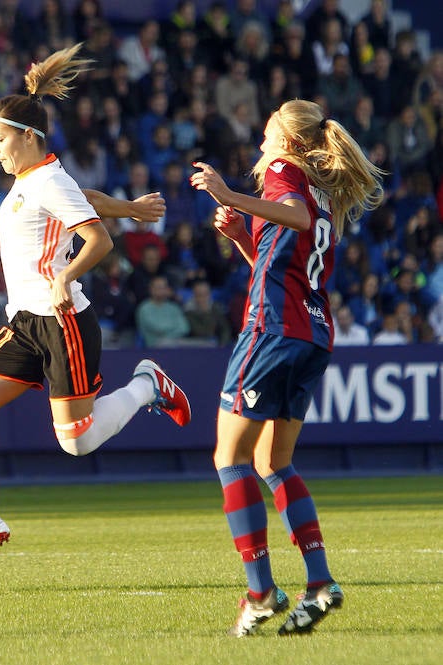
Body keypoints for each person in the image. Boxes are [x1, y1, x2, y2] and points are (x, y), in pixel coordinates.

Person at [0, 43, 190, 568]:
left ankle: (148, 385)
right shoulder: (37, 180)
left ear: (28, 137)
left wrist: (66, 276)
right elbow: (86, 197)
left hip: (63, 321)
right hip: (25, 323)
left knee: (76, 444)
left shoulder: (47, 180)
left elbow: (97, 241)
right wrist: (133, 208)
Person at [189, 98, 384, 636]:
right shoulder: (320, 194)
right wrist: (239, 236)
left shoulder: (283, 172)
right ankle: (319, 582)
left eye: (270, 127)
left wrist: (231, 196)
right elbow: (282, 264)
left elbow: (291, 218)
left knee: (230, 457)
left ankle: (259, 592)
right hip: (311, 335)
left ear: (290, 141)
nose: (262, 138)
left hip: (272, 331)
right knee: (274, 461)